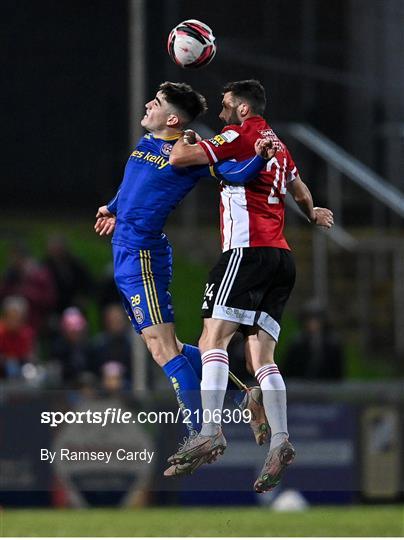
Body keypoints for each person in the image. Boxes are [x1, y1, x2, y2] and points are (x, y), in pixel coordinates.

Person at [94, 81, 274, 475]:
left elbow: (235, 173)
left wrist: (259, 158)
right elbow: (132, 187)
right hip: (126, 254)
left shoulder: (188, 153)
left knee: (163, 351)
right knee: (170, 344)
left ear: (172, 118)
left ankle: (202, 434)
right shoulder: (145, 144)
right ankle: (247, 394)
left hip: (143, 257)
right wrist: (112, 208)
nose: (147, 105)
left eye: (155, 103)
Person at [168, 79, 334, 492]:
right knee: (260, 356)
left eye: (225, 105)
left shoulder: (239, 136)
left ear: (243, 108)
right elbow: (298, 188)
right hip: (282, 258)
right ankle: (280, 438)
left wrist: (181, 138)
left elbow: (180, 158)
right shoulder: (277, 143)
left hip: (246, 251)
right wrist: (313, 213)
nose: (220, 113)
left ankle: (210, 430)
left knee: (212, 341)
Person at [283, 299, 344, 380]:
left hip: (325, 387)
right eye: (309, 319)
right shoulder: (296, 343)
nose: (313, 323)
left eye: (316, 319)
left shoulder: (333, 344)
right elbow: (287, 369)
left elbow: (338, 371)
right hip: (299, 388)